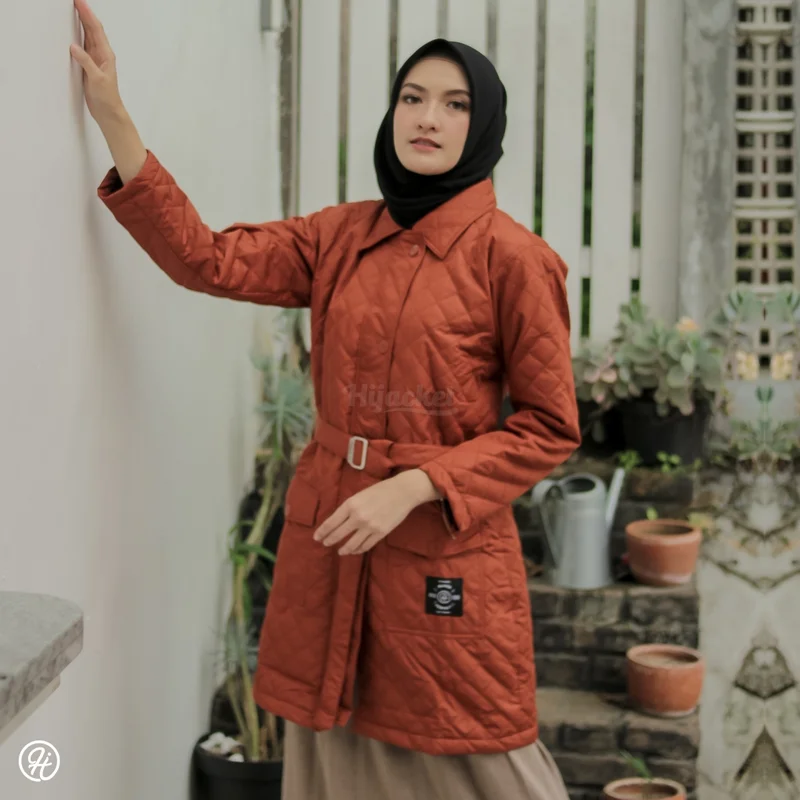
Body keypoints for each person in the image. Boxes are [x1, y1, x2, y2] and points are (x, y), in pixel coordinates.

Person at [72, 1, 581, 797]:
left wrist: (415, 486)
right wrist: (112, 115)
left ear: (484, 126)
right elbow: (207, 259)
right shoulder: (339, 236)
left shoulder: (514, 258)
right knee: (331, 749)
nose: (427, 118)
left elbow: (550, 428)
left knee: (472, 752)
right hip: (332, 534)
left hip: (439, 549)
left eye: (455, 104)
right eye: (412, 97)